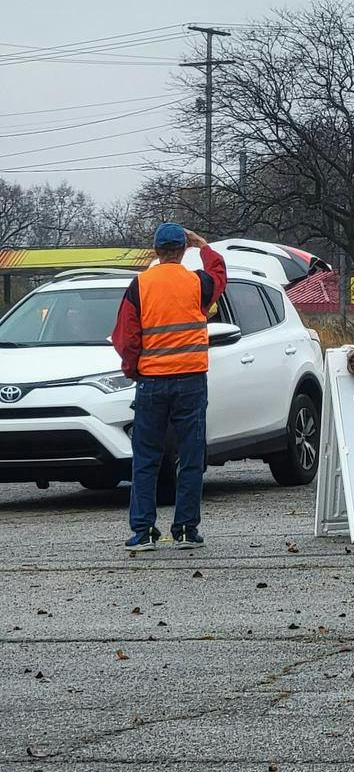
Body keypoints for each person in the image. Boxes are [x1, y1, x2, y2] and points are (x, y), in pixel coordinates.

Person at [110, 223, 228, 551]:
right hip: (191, 381)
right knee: (190, 456)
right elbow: (219, 273)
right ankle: (187, 529)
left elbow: (126, 337)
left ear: (156, 251)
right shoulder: (197, 282)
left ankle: (144, 532)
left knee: (146, 458)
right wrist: (203, 245)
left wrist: (134, 370)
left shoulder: (140, 285)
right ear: (182, 249)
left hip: (151, 383)